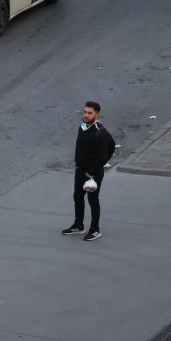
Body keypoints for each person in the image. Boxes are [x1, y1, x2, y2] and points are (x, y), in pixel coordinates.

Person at [63, 101, 113, 241]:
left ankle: (95, 229)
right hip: (80, 171)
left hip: (93, 173)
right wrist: (78, 164)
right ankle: (78, 225)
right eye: (85, 112)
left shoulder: (100, 133)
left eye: (89, 113)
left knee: (92, 200)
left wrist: (90, 171)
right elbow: (80, 148)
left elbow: (103, 157)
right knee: (77, 197)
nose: (86, 115)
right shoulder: (82, 127)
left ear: (97, 115)